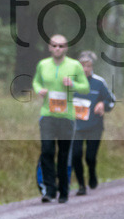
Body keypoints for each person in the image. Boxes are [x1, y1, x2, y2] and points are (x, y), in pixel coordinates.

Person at [32, 34, 89, 204]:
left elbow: (85, 87)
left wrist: (73, 85)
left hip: (67, 117)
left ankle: (63, 191)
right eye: (54, 46)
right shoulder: (43, 65)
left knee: (64, 155)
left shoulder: (74, 65)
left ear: (66, 48)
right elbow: (35, 82)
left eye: (61, 46)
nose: (57, 49)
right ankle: (49, 190)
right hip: (48, 115)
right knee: (47, 151)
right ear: (49, 47)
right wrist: (39, 90)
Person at [71, 51, 115, 195]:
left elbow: (111, 100)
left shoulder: (99, 82)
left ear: (92, 67)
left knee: (90, 156)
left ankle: (91, 171)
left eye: (88, 66)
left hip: (94, 126)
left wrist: (103, 104)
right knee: (76, 155)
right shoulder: (71, 83)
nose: (86, 69)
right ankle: (81, 186)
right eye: (83, 66)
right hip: (76, 126)